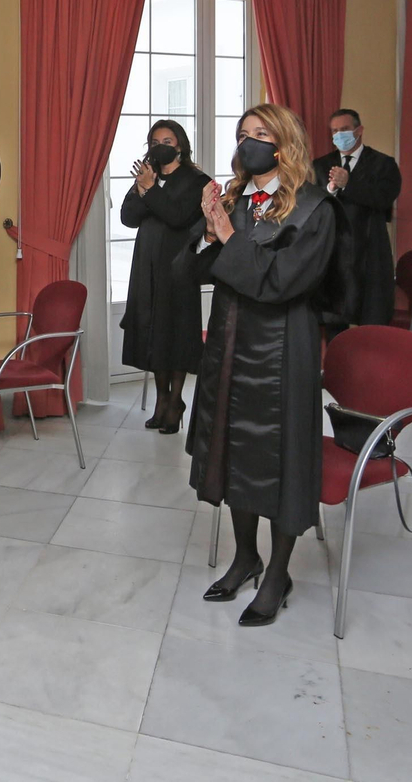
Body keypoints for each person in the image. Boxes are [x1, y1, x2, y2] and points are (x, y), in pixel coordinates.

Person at [188, 103, 337, 626]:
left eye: (261, 134)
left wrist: (229, 238)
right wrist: (210, 233)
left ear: (284, 144)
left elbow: (281, 282)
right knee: (233, 450)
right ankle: (245, 556)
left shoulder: (313, 208)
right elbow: (195, 269)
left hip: (283, 346)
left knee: (279, 458)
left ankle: (277, 572)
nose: (248, 142)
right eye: (243, 133)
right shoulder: (233, 199)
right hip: (230, 340)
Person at [121, 119, 212, 434]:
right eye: (155, 142)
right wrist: (142, 188)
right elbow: (128, 217)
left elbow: (177, 216)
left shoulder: (196, 180)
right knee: (154, 332)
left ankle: (175, 401)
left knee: (177, 333)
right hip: (147, 265)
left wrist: (150, 190)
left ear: (181, 146)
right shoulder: (148, 175)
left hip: (179, 267)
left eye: (168, 141)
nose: (161, 147)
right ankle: (161, 399)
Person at [312, 108, 401, 330]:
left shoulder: (383, 164)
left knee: (371, 322)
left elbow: (383, 198)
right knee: (334, 323)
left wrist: (349, 184)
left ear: (359, 130)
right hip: (334, 255)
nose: (338, 135)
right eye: (334, 131)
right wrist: (331, 189)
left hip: (370, 253)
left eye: (344, 129)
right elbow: (311, 203)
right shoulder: (320, 165)